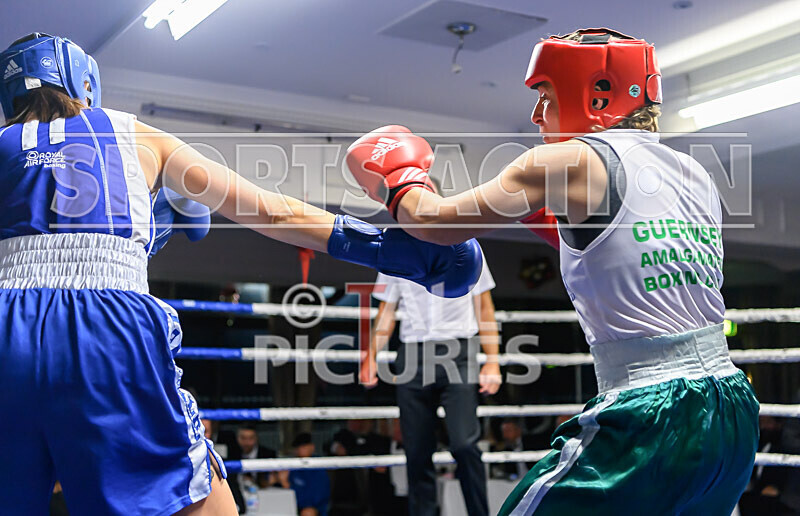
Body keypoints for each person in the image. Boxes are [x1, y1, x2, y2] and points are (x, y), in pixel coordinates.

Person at [0, 33, 483, 515]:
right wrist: (391, 249)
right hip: (108, 332)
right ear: (86, 84)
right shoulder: (134, 133)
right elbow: (275, 213)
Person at [345, 28, 760, 515]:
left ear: (595, 94)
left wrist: (397, 176)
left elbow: (433, 223)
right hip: (732, 410)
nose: (536, 114)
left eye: (545, 95)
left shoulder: (565, 161)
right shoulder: (695, 174)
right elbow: (615, 248)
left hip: (651, 411)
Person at [362, 251, 500, 516]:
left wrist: (492, 361)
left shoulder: (469, 247)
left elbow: (484, 306)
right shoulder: (396, 248)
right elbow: (387, 311)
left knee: (465, 444)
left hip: (459, 350)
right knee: (416, 451)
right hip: (412, 353)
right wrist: (371, 357)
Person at [275, 433, 331, 516]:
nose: (299, 450)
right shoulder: (292, 465)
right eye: (297, 447)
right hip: (291, 506)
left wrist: (286, 485)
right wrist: (275, 480)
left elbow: (313, 500)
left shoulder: (318, 467)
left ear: (312, 447)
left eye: (303, 447)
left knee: (308, 512)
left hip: (314, 509)